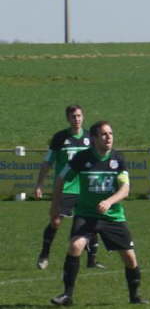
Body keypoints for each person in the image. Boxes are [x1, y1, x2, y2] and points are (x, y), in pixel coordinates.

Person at [49, 121, 148, 306]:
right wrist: (55, 206)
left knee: (129, 258)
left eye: (110, 133)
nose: (109, 137)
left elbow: (125, 189)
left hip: (112, 216)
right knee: (75, 246)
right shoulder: (81, 158)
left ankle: (135, 296)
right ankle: (67, 295)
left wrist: (109, 201)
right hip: (86, 214)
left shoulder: (118, 159)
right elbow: (61, 178)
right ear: (94, 139)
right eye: (104, 134)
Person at [34, 105, 103, 270]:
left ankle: (92, 260)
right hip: (66, 188)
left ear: (83, 117)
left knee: (92, 222)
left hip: (86, 189)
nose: (77, 119)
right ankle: (44, 255)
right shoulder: (60, 138)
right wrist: (39, 184)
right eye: (73, 116)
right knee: (56, 221)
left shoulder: (90, 138)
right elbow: (47, 162)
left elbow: (98, 161)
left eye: (79, 116)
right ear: (68, 119)